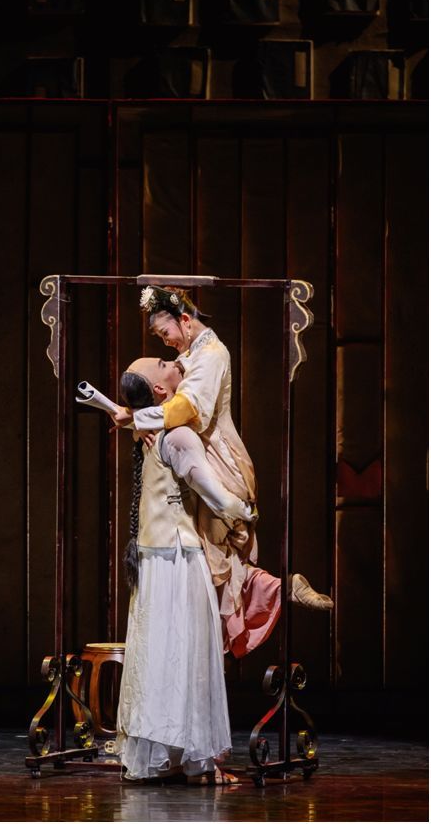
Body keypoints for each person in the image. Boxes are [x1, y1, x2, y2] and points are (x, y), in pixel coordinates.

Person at [112, 287, 332, 658]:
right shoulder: (190, 354)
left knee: (217, 560)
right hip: (200, 455)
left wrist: (138, 417)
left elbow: (188, 408)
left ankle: (275, 592)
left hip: (219, 459)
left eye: (165, 333)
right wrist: (139, 421)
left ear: (184, 320)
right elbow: (166, 401)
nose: (166, 344)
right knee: (215, 560)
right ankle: (277, 591)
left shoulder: (212, 354)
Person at [115, 356, 255, 785]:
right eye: (163, 363)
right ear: (161, 390)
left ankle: (171, 754)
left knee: (163, 650)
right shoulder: (176, 435)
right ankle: (196, 760)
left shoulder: (153, 431)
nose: (174, 361)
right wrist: (244, 511)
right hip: (177, 554)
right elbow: (211, 491)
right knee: (187, 648)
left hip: (155, 553)